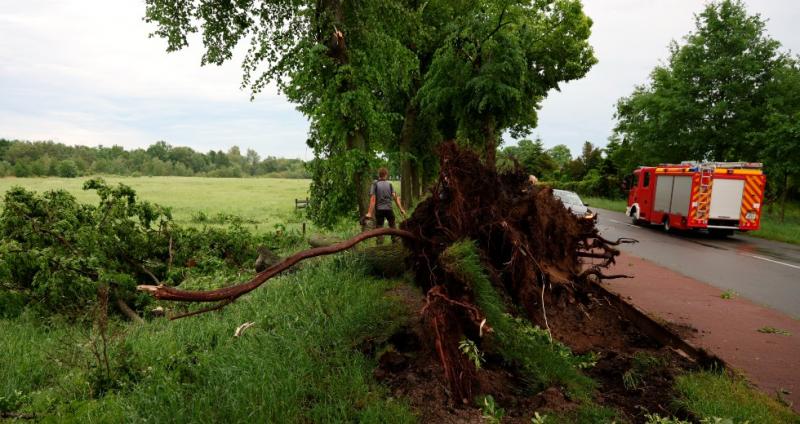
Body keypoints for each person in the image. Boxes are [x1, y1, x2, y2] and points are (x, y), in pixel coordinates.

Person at [365, 167, 406, 244]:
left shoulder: (375, 184)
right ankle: (395, 242)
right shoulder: (389, 184)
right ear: (386, 175)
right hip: (389, 210)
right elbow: (395, 198)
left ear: (379, 175)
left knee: (379, 228)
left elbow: (373, 199)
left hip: (379, 210)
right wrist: (401, 209)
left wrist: (369, 213)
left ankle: (380, 244)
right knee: (393, 227)